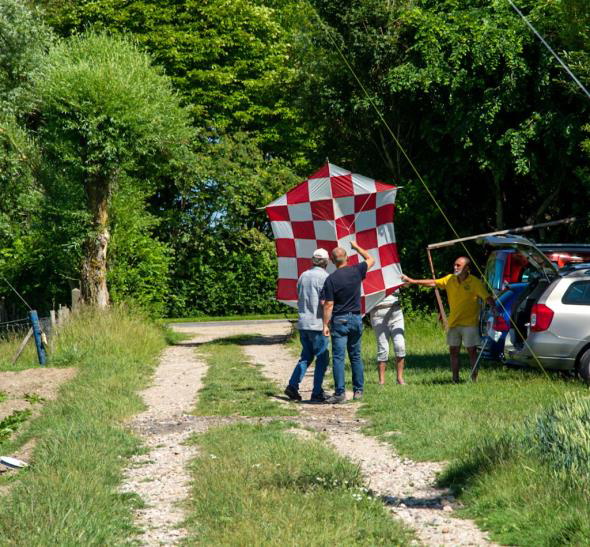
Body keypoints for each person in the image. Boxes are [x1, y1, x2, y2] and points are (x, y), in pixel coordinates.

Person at [402, 256, 494, 383]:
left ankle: (474, 379)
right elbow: (433, 282)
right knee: (453, 351)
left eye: (458, 265)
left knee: (472, 352)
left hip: (469, 324)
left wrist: (495, 308)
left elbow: (487, 297)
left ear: (467, 268)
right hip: (453, 323)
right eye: (454, 265)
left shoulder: (475, 282)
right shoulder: (449, 279)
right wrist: (412, 281)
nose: (455, 267)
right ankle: (455, 379)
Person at [322, 241, 375, 403]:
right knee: (356, 356)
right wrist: (356, 247)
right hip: (356, 318)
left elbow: (329, 304)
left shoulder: (331, 279)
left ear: (332, 261)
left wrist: (325, 324)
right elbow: (371, 259)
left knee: (338, 357)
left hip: (339, 319)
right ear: (347, 258)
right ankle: (358, 391)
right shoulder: (356, 270)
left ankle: (340, 393)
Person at [284, 248, 331, 402]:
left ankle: (293, 385)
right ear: (326, 262)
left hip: (304, 322)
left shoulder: (303, 275)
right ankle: (317, 392)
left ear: (313, 260)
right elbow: (325, 303)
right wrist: (328, 322)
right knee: (322, 359)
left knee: (306, 356)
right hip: (318, 323)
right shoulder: (325, 278)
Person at [369, 291, 406, 385]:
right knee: (383, 348)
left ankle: (400, 379)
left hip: (395, 311)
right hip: (378, 313)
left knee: (400, 346)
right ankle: (381, 381)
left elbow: (407, 284)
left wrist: (437, 285)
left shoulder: (393, 279)